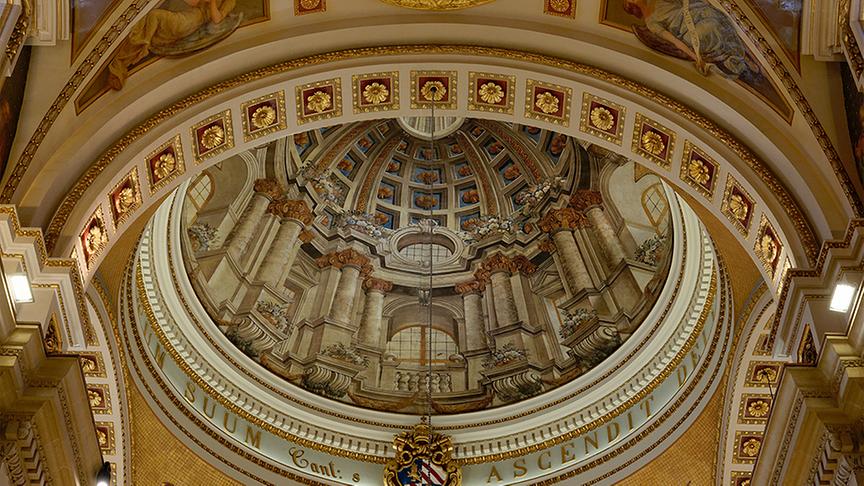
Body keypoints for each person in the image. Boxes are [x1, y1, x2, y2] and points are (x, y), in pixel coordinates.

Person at [108, 0, 237, 90]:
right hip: (187, 14)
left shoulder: (230, 1)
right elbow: (192, 3)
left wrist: (212, 2)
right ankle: (134, 52)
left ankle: (140, 47)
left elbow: (217, 19)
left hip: (191, 21)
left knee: (154, 16)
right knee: (149, 21)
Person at [624, 0, 760, 79]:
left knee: (716, 15)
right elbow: (674, 41)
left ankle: (743, 54)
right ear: (633, 7)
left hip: (695, 12)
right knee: (711, 28)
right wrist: (696, 58)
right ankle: (737, 59)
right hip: (688, 33)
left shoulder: (657, 1)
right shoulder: (651, 23)